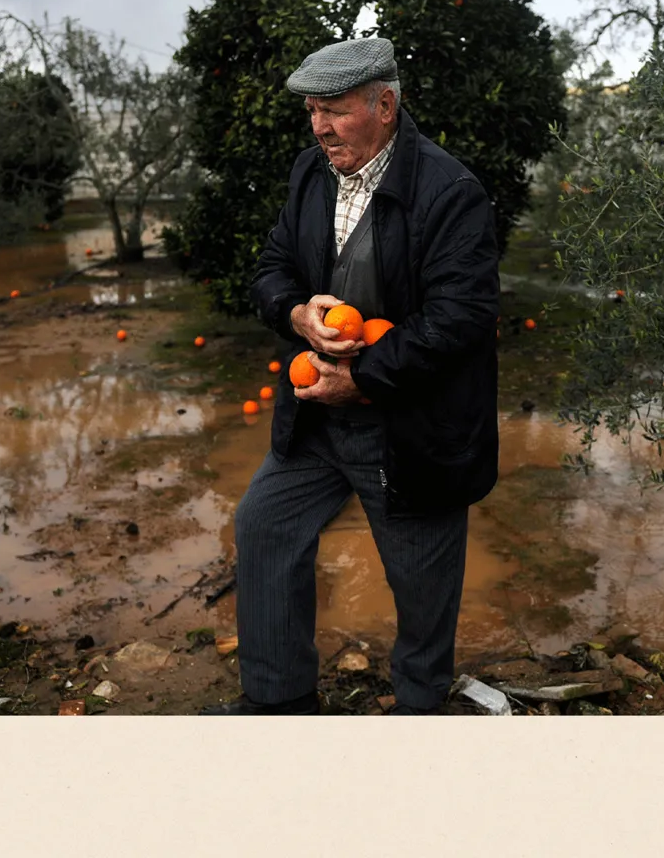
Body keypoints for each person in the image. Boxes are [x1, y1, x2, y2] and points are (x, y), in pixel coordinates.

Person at [200, 37, 501, 716]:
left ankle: (418, 714)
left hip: (412, 428)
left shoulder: (449, 192)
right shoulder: (312, 173)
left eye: (333, 110)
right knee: (264, 526)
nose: (319, 127)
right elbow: (273, 266)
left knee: (422, 586)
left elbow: (460, 319)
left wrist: (364, 376)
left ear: (385, 104)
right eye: (312, 110)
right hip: (318, 414)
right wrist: (296, 310)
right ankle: (280, 704)